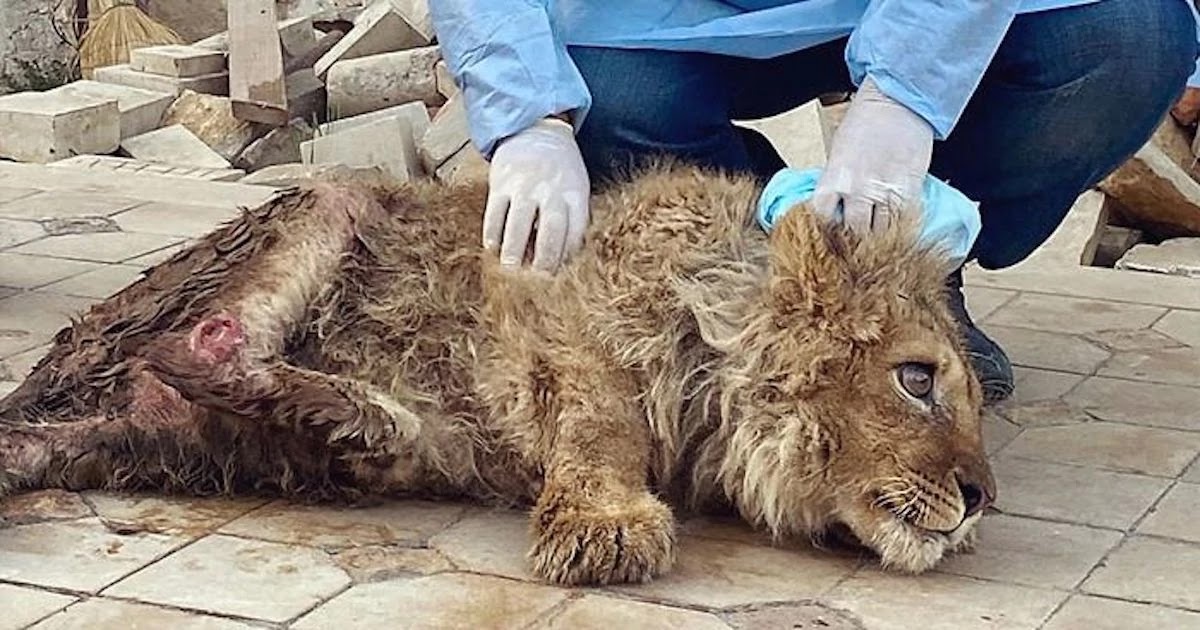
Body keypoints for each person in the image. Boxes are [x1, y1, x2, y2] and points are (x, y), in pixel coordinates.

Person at [429, 0, 1200, 402]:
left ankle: (916, 278)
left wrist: (907, 93)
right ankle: (766, 266)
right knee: (614, 99)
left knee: (1128, 36)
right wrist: (532, 116)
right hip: (665, 19)